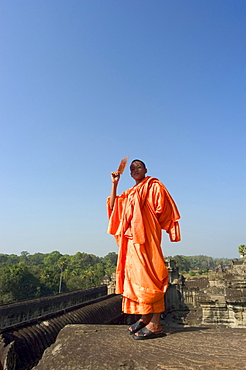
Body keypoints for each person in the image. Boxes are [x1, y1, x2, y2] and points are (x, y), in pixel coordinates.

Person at [107, 159, 181, 340]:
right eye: (132, 169)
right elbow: (113, 207)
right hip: (131, 241)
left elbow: (163, 210)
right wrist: (114, 185)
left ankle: (155, 324)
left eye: (138, 167)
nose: (135, 170)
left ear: (146, 169)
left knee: (151, 277)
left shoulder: (154, 186)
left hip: (147, 239)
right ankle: (145, 317)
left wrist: (144, 218)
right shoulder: (130, 192)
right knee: (135, 278)